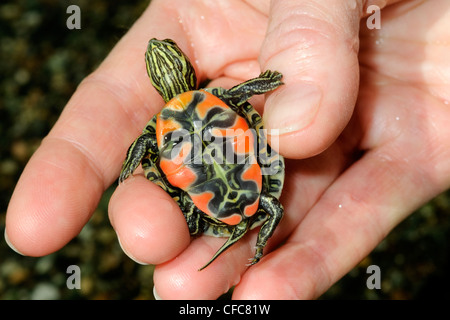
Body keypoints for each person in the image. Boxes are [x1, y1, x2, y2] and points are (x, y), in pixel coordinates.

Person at [5, 0, 450, 299]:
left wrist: (129, 169)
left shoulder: (157, 130)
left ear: (171, 74)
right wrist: (271, 81)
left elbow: (144, 151)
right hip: (239, 174)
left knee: (243, 213)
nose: (162, 53)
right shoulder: (210, 102)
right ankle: (248, 234)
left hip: (215, 190)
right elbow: (240, 97)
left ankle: (240, 232)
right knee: (258, 210)